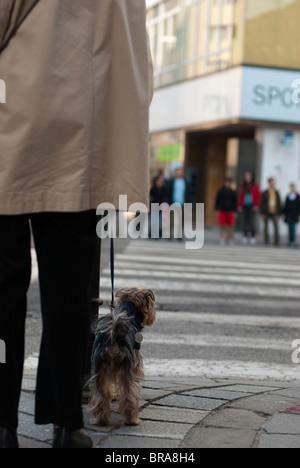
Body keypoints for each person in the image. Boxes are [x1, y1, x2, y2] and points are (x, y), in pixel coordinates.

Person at [0, 0, 153, 449]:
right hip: (83, 140)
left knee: (3, 288)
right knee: (69, 299)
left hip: (12, 124)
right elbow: (137, 60)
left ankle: (3, 424)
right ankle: (68, 422)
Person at [167, 167, 192, 240]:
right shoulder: (171, 182)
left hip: (183, 204)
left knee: (181, 220)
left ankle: (179, 235)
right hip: (172, 203)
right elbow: (168, 193)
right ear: (175, 173)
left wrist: (189, 203)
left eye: (180, 172)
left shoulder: (186, 182)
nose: (179, 173)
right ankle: (169, 235)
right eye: (178, 172)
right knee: (170, 220)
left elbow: (189, 194)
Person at [238, 172, 261, 245]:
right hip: (245, 205)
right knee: (245, 221)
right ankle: (245, 236)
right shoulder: (243, 185)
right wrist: (240, 205)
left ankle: (253, 236)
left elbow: (258, 195)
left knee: (251, 221)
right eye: (246, 176)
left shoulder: (255, 185)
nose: (247, 178)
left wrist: (257, 205)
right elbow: (241, 195)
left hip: (252, 205)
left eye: (249, 176)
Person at [215, 177, 238, 245]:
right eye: (226, 182)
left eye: (229, 183)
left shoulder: (233, 192)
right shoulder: (221, 191)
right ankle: (222, 238)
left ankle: (230, 239)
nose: (227, 184)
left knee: (230, 226)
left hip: (230, 210)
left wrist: (235, 211)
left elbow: (235, 202)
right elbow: (217, 200)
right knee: (222, 225)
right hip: (222, 210)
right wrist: (216, 209)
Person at [260, 178, 282, 246]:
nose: (273, 184)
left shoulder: (276, 192)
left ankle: (276, 241)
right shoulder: (265, 192)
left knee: (276, 226)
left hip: (275, 211)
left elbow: (279, 202)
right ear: (269, 183)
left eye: (273, 183)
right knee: (266, 227)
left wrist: (279, 212)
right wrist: (262, 212)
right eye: (272, 183)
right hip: (267, 211)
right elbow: (262, 203)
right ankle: (266, 241)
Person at [149, 173, 167, 239]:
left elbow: (165, 198)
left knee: (159, 221)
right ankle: (151, 234)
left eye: (162, 179)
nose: (161, 181)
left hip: (161, 207)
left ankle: (156, 235)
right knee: (153, 221)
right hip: (154, 206)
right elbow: (150, 196)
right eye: (160, 179)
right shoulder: (153, 188)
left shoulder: (164, 188)